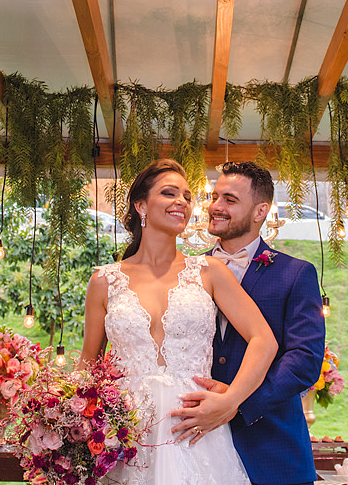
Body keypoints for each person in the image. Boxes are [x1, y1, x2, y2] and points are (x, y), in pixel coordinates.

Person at [81, 158, 277, 485]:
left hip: (196, 430)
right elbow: (88, 366)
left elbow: (264, 340)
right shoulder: (104, 281)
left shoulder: (210, 271)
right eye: (169, 193)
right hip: (127, 435)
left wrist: (230, 401)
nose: (182, 202)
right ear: (141, 206)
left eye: (187, 196)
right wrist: (71, 417)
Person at [170, 160, 325, 485]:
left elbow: (304, 361)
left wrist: (236, 404)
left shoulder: (295, 274)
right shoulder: (186, 273)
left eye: (230, 200)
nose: (216, 207)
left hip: (272, 451)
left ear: (260, 211)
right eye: (215, 197)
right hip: (196, 450)